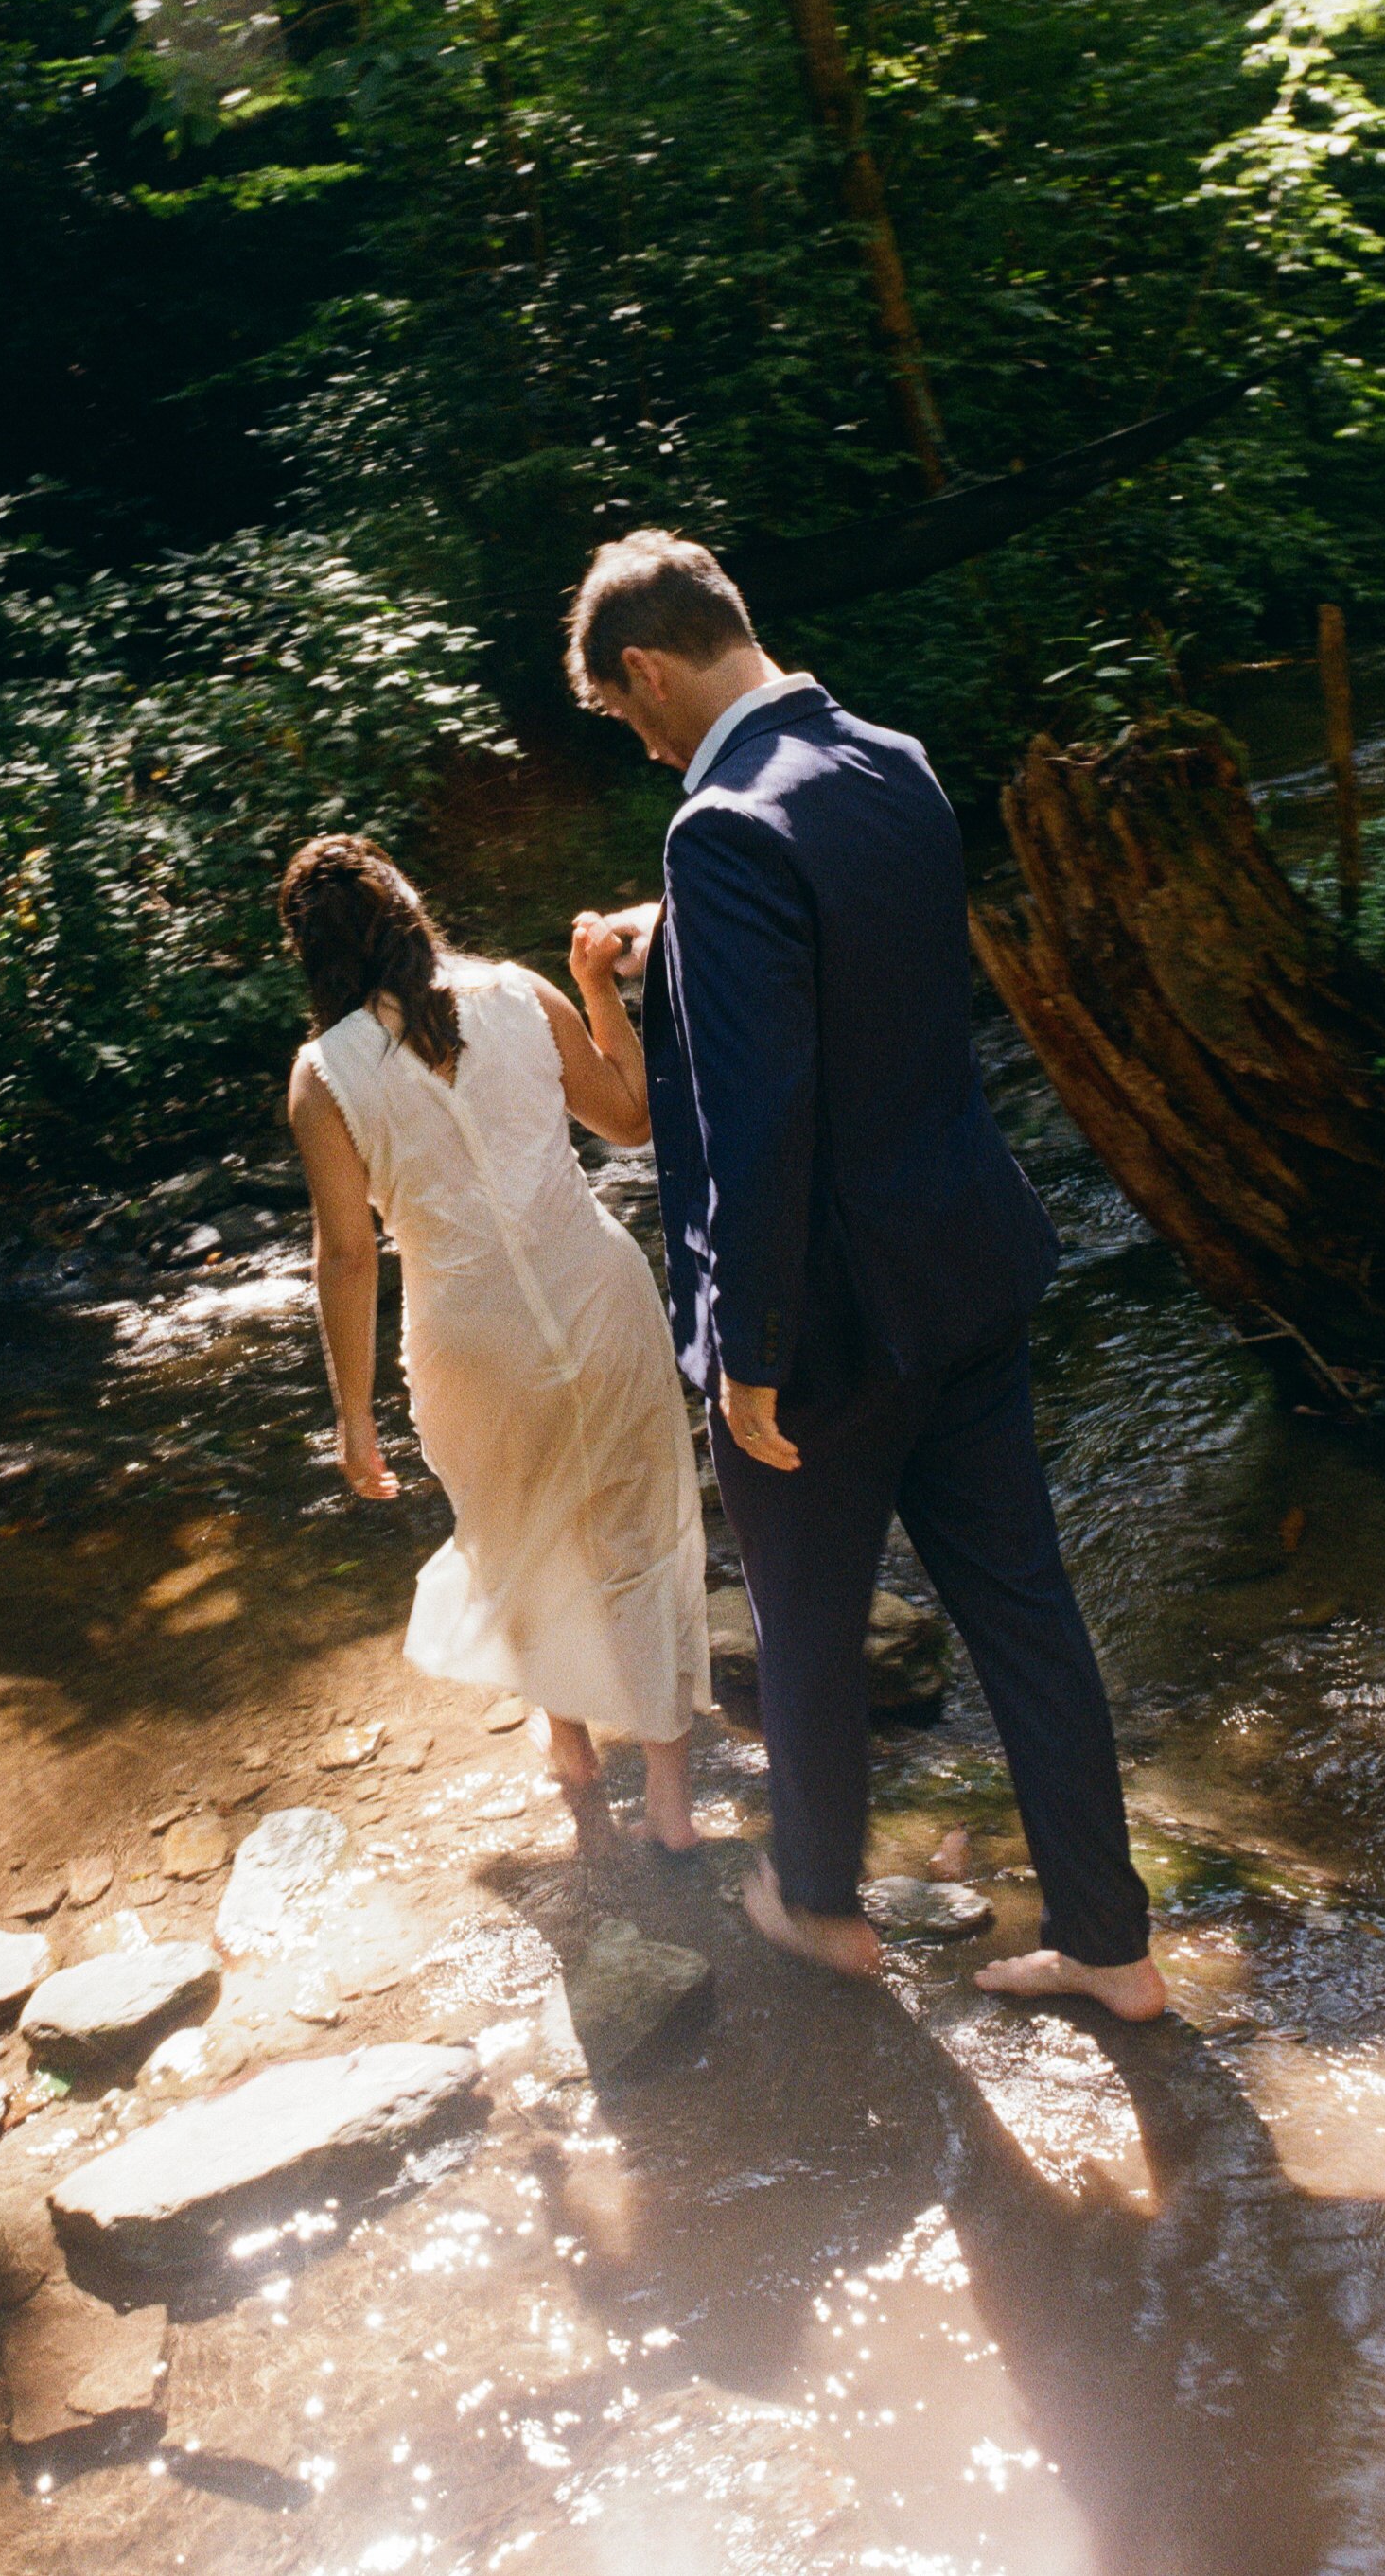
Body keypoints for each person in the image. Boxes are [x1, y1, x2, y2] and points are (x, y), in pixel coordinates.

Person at [566, 529, 1166, 2018]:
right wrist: (680, 950)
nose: (641, 745)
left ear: (644, 667)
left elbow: (765, 1117)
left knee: (805, 1625)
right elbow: (868, 979)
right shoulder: (890, 761)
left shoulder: (715, 828)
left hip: (823, 1328)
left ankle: (819, 1904)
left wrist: (745, 1347)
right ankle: (1109, 1942)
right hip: (964, 1274)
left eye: (624, 713)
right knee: (1027, 1613)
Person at [279, 832, 711, 1855]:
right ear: (407, 903)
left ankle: (569, 1751)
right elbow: (630, 1116)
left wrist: (352, 1417)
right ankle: (669, 1798)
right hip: (596, 1291)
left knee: (515, 1534)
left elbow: (347, 1256)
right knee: (642, 1526)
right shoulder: (517, 992)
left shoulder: (322, 1075)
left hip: (469, 1338)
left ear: (311, 952)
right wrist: (597, 993)